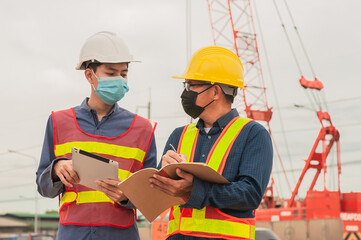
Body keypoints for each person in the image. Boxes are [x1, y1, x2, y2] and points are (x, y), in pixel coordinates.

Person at [36, 31, 157, 240]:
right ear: (89, 75)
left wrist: (127, 196)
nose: (119, 79)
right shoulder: (58, 122)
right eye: (111, 73)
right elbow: (43, 186)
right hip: (73, 234)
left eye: (124, 73)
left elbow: (153, 196)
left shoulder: (143, 129)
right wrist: (55, 169)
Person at [149, 46, 273, 240]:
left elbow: (250, 194)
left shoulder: (253, 134)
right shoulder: (178, 135)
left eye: (192, 85)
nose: (186, 93)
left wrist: (196, 191)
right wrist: (161, 178)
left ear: (215, 91)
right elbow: (156, 195)